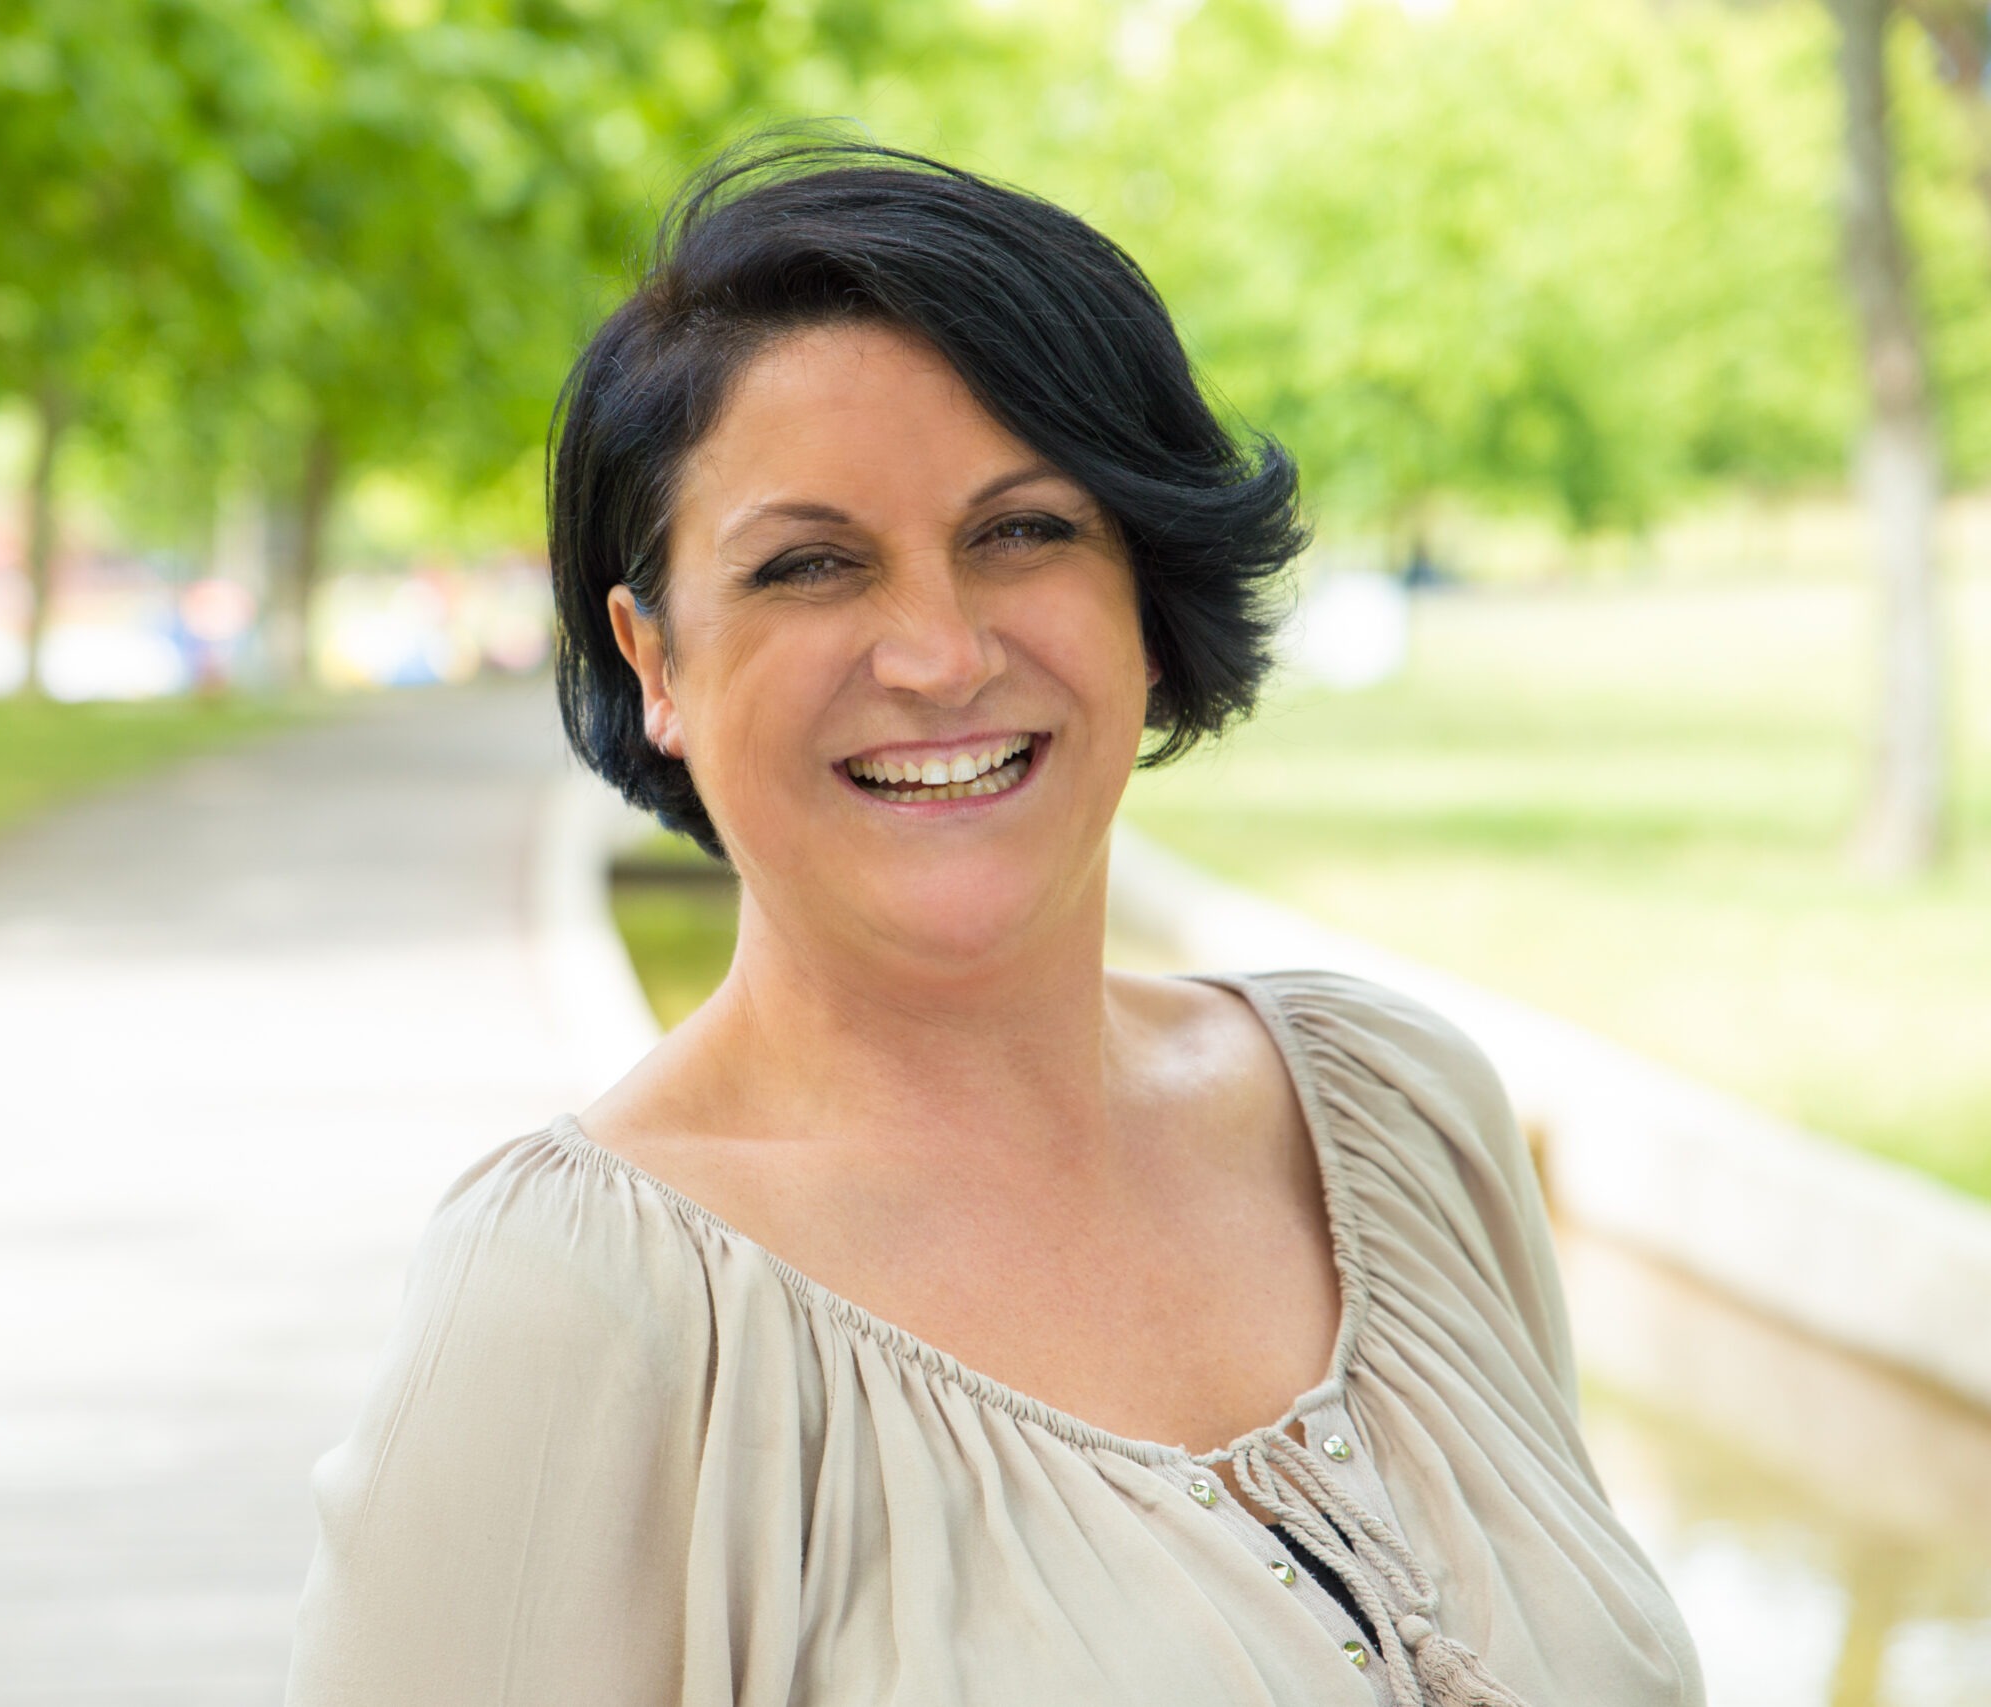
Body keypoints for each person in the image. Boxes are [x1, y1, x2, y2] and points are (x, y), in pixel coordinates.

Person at [284, 139, 1703, 1706]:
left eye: (1022, 532)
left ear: (1146, 593)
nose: (940, 656)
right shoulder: (580, 1302)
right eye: (810, 565)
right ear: (655, 663)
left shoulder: (1399, 1114)